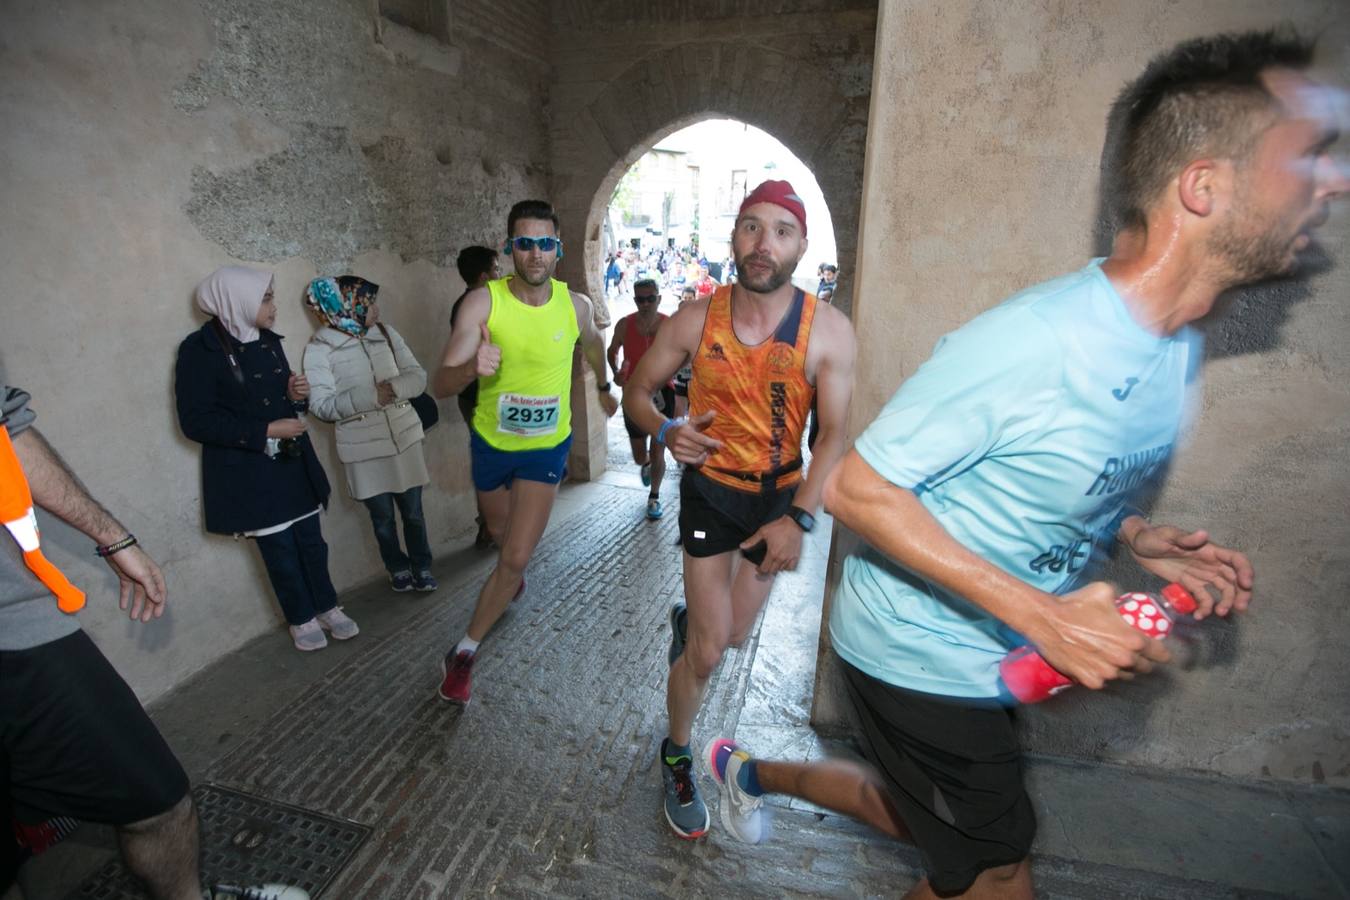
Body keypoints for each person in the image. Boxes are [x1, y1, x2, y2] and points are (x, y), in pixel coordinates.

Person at [701, 29, 1346, 900]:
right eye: (1307, 155)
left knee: (924, 822)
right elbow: (857, 486)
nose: (1335, 180)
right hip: (913, 654)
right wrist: (1045, 616)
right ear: (1204, 187)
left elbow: (1046, 469)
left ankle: (751, 772)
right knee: (999, 872)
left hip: (988, 653)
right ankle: (751, 772)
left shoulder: (1173, 343)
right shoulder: (1038, 341)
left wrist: (1138, 534)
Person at [0, 385, 307, 900]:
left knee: (156, 801)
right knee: (155, 806)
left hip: (15, 626)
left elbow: (9, 432)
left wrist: (115, 538)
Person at [623, 179, 856, 839]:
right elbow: (639, 391)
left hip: (777, 502)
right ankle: (676, 752)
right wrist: (668, 432)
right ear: (735, 236)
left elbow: (834, 434)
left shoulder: (827, 331)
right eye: (752, 226)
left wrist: (800, 518)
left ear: (801, 244)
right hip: (711, 493)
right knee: (706, 656)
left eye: (781, 230)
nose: (764, 243)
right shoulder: (697, 318)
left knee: (724, 634)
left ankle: (692, 622)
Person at [430, 199, 618, 704]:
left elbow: (595, 342)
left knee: (514, 556)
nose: (535, 253)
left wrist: (604, 384)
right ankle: (506, 579)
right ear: (510, 247)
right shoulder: (482, 304)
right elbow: (440, 384)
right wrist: (472, 367)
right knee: (497, 532)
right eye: (524, 243)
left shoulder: (574, 304)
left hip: (546, 449)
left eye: (545, 243)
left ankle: (463, 654)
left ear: (558, 248)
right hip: (491, 444)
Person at [175, 266, 358, 653]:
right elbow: (196, 421)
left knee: (312, 543)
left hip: (292, 464)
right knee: (280, 553)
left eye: (271, 296)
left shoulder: (268, 340)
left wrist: (296, 394)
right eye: (266, 298)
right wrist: (266, 431)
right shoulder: (199, 350)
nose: (274, 306)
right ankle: (301, 618)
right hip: (250, 472)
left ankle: (327, 606)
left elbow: (280, 399)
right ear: (236, 302)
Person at [303, 276, 435, 593]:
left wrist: (395, 388)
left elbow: (418, 375)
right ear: (346, 304)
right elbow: (320, 405)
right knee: (383, 519)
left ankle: (423, 566)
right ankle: (398, 568)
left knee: (414, 513)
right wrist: (370, 397)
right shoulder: (320, 348)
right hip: (363, 448)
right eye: (369, 302)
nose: (375, 309)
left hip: (404, 437)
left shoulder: (386, 333)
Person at [450, 246, 503, 550]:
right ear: (484, 276)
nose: (500, 273)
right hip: (481, 399)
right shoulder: (476, 307)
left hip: (478, 397)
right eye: (496, 269)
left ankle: (492, 524)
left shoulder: (469, 303)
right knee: (492, 461)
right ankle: (490, 526)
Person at [607, 278, 673, 519]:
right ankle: (645, 464)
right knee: (638, 456)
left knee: (658, 450)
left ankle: (654, 497)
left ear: (659, 299)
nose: (645, 304)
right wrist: (615, 372)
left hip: (663, 394)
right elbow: (611, 350)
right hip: (634, 394)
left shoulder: (670, 325)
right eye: (640, 299)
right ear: (634, 299)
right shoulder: (625, 325)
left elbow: (686, 354)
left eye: (650, 299)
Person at [671, 285, 697, 419]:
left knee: (696, 409)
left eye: (690, 298)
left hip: (696, 373)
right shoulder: (674, 320)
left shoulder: (701, 319)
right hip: (680, 372)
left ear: (695, 298)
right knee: (678, 409)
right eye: (685, 298)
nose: (687, 301)